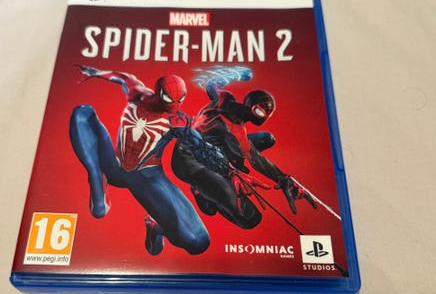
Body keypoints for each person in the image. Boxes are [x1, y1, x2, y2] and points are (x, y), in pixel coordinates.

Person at [69, 66, 210, 256]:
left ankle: (155, 226)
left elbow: (203, 148)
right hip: (115, 165)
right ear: (159, 93)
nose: (175, 105)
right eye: (170, 98)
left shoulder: (177, 122)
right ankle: (96, 177)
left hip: (147, 177)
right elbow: (123, 76)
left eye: (180, 99)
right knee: (82, 113)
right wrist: (95, 73)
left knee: (198, 241)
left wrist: (228, 170)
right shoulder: (138, 95)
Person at [171, 67, 316, 229]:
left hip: (214, 149)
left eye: (266, 112)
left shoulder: (225, 101)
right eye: (259, 111)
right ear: (251, 106)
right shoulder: (234, 128)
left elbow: (212, 84)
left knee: (266, 139)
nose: (262, 115)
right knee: (249, 218)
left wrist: (237, 74)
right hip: (188, 161)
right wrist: (282, 178)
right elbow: (255, 158)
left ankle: (219, 178)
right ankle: (201, 190)